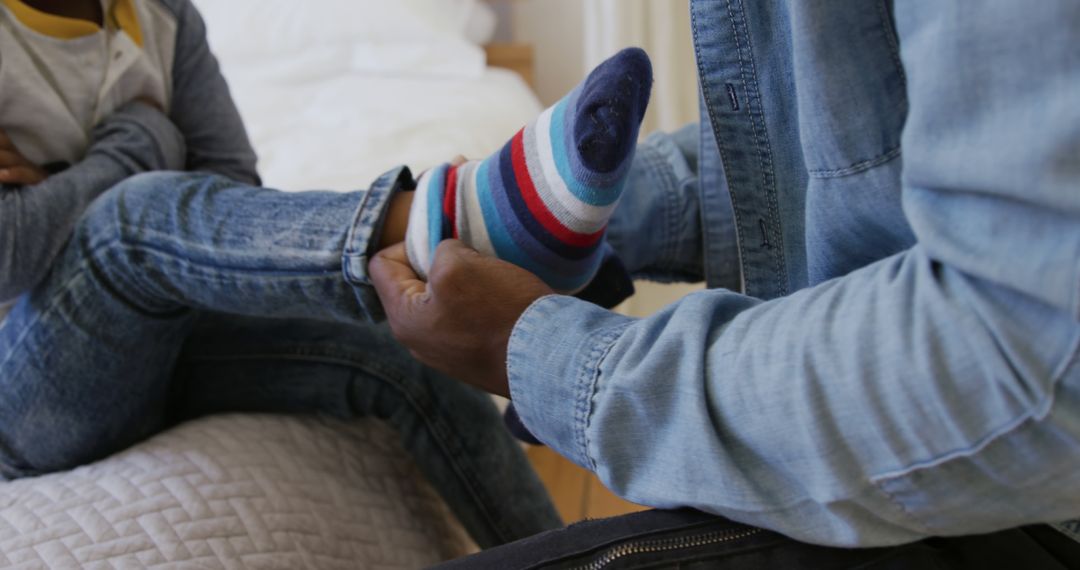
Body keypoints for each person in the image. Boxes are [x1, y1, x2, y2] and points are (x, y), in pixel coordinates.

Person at [369, 0, 1080, 568]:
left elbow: (1025, 355)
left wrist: (557, 361)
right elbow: (855, 141)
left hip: (1017, 503)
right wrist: (587, 217)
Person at [0, 0, 562, 548]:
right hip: (20, 394)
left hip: (165, 342)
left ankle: (576, 558)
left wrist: (57, 184)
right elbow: (10, 255)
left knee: (404, 344)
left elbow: (229, 191)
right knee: (130, 220)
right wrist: (141, 140)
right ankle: (432, 222)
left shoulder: (168, 17)